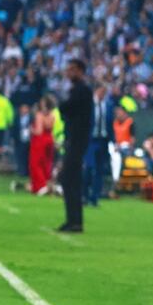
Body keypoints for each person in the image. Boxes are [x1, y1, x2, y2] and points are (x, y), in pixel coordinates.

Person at [58, 59, 93, 232]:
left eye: (72, 70)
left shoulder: (82, 91)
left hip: (77, 141)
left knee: (68, 178)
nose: (68, 73)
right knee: (70, 179)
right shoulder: (77, 91)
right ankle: (73, 220)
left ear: (80, 71)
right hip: (73, 139)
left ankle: (75, 220)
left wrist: (61, 103)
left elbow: (66, 108)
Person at [84, 85, 115, 207]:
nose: (103, 94)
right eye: (102, 91)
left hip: (103, 141)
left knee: (100, 170)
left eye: (105, 92)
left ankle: (95, 197)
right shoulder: (89, 105)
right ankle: (85, 195)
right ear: (96, 91)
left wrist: (113, 140)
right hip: (91, 140)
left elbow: (110, 125)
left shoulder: (108, 106)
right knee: (89, 168)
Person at [28, 96, 57, 196]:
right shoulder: (52, 115)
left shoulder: (39, 115)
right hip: (50, 139)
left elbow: (39, 131)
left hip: (40, 141)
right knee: (47, 163)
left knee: (36, 163)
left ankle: (40, 185)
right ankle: (47, 183)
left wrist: (31, 130)